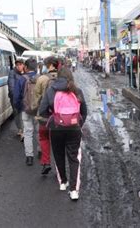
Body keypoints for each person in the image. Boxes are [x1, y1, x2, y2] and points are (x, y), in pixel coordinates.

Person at [39, 68, 88, 200]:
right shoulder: (77, 91)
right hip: (74, 128)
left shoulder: (51, 90)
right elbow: (84, 111)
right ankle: (74, 190)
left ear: (58, 77)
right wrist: (78, 125)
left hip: (56, 128)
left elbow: (42, 110)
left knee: (59, 155)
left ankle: (63, 182)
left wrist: (53, 117)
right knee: (74, 158)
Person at [34, 57, 60, 175]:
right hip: (60, 116)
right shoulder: (64, 78)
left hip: (44, 115)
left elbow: (37, 96)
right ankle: (59, 168)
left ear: (49, 65)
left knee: (44, 138)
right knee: (58, 141)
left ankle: (46, 163)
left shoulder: (42, 79)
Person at [14, 58, 40, 166]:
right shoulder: (41, 78)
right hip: (38, 109)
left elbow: (16, 96)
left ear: (26, 67)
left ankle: (29, 156)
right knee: (39, 131)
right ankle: (41, 150)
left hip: (26, 109)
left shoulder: (21, 79)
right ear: (36, 67)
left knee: (28, 132)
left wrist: (19, 107)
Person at [8, 58, 24, 139]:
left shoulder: (24, 73)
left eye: (20, 65)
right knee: (17, 113)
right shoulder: (12, 73)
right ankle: (20, 129)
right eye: (17, 65)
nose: (19, 66)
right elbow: (11, 87)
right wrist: (16, 98)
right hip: (15, 98)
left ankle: (21, 130)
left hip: (23, 97)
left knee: (21, 114)